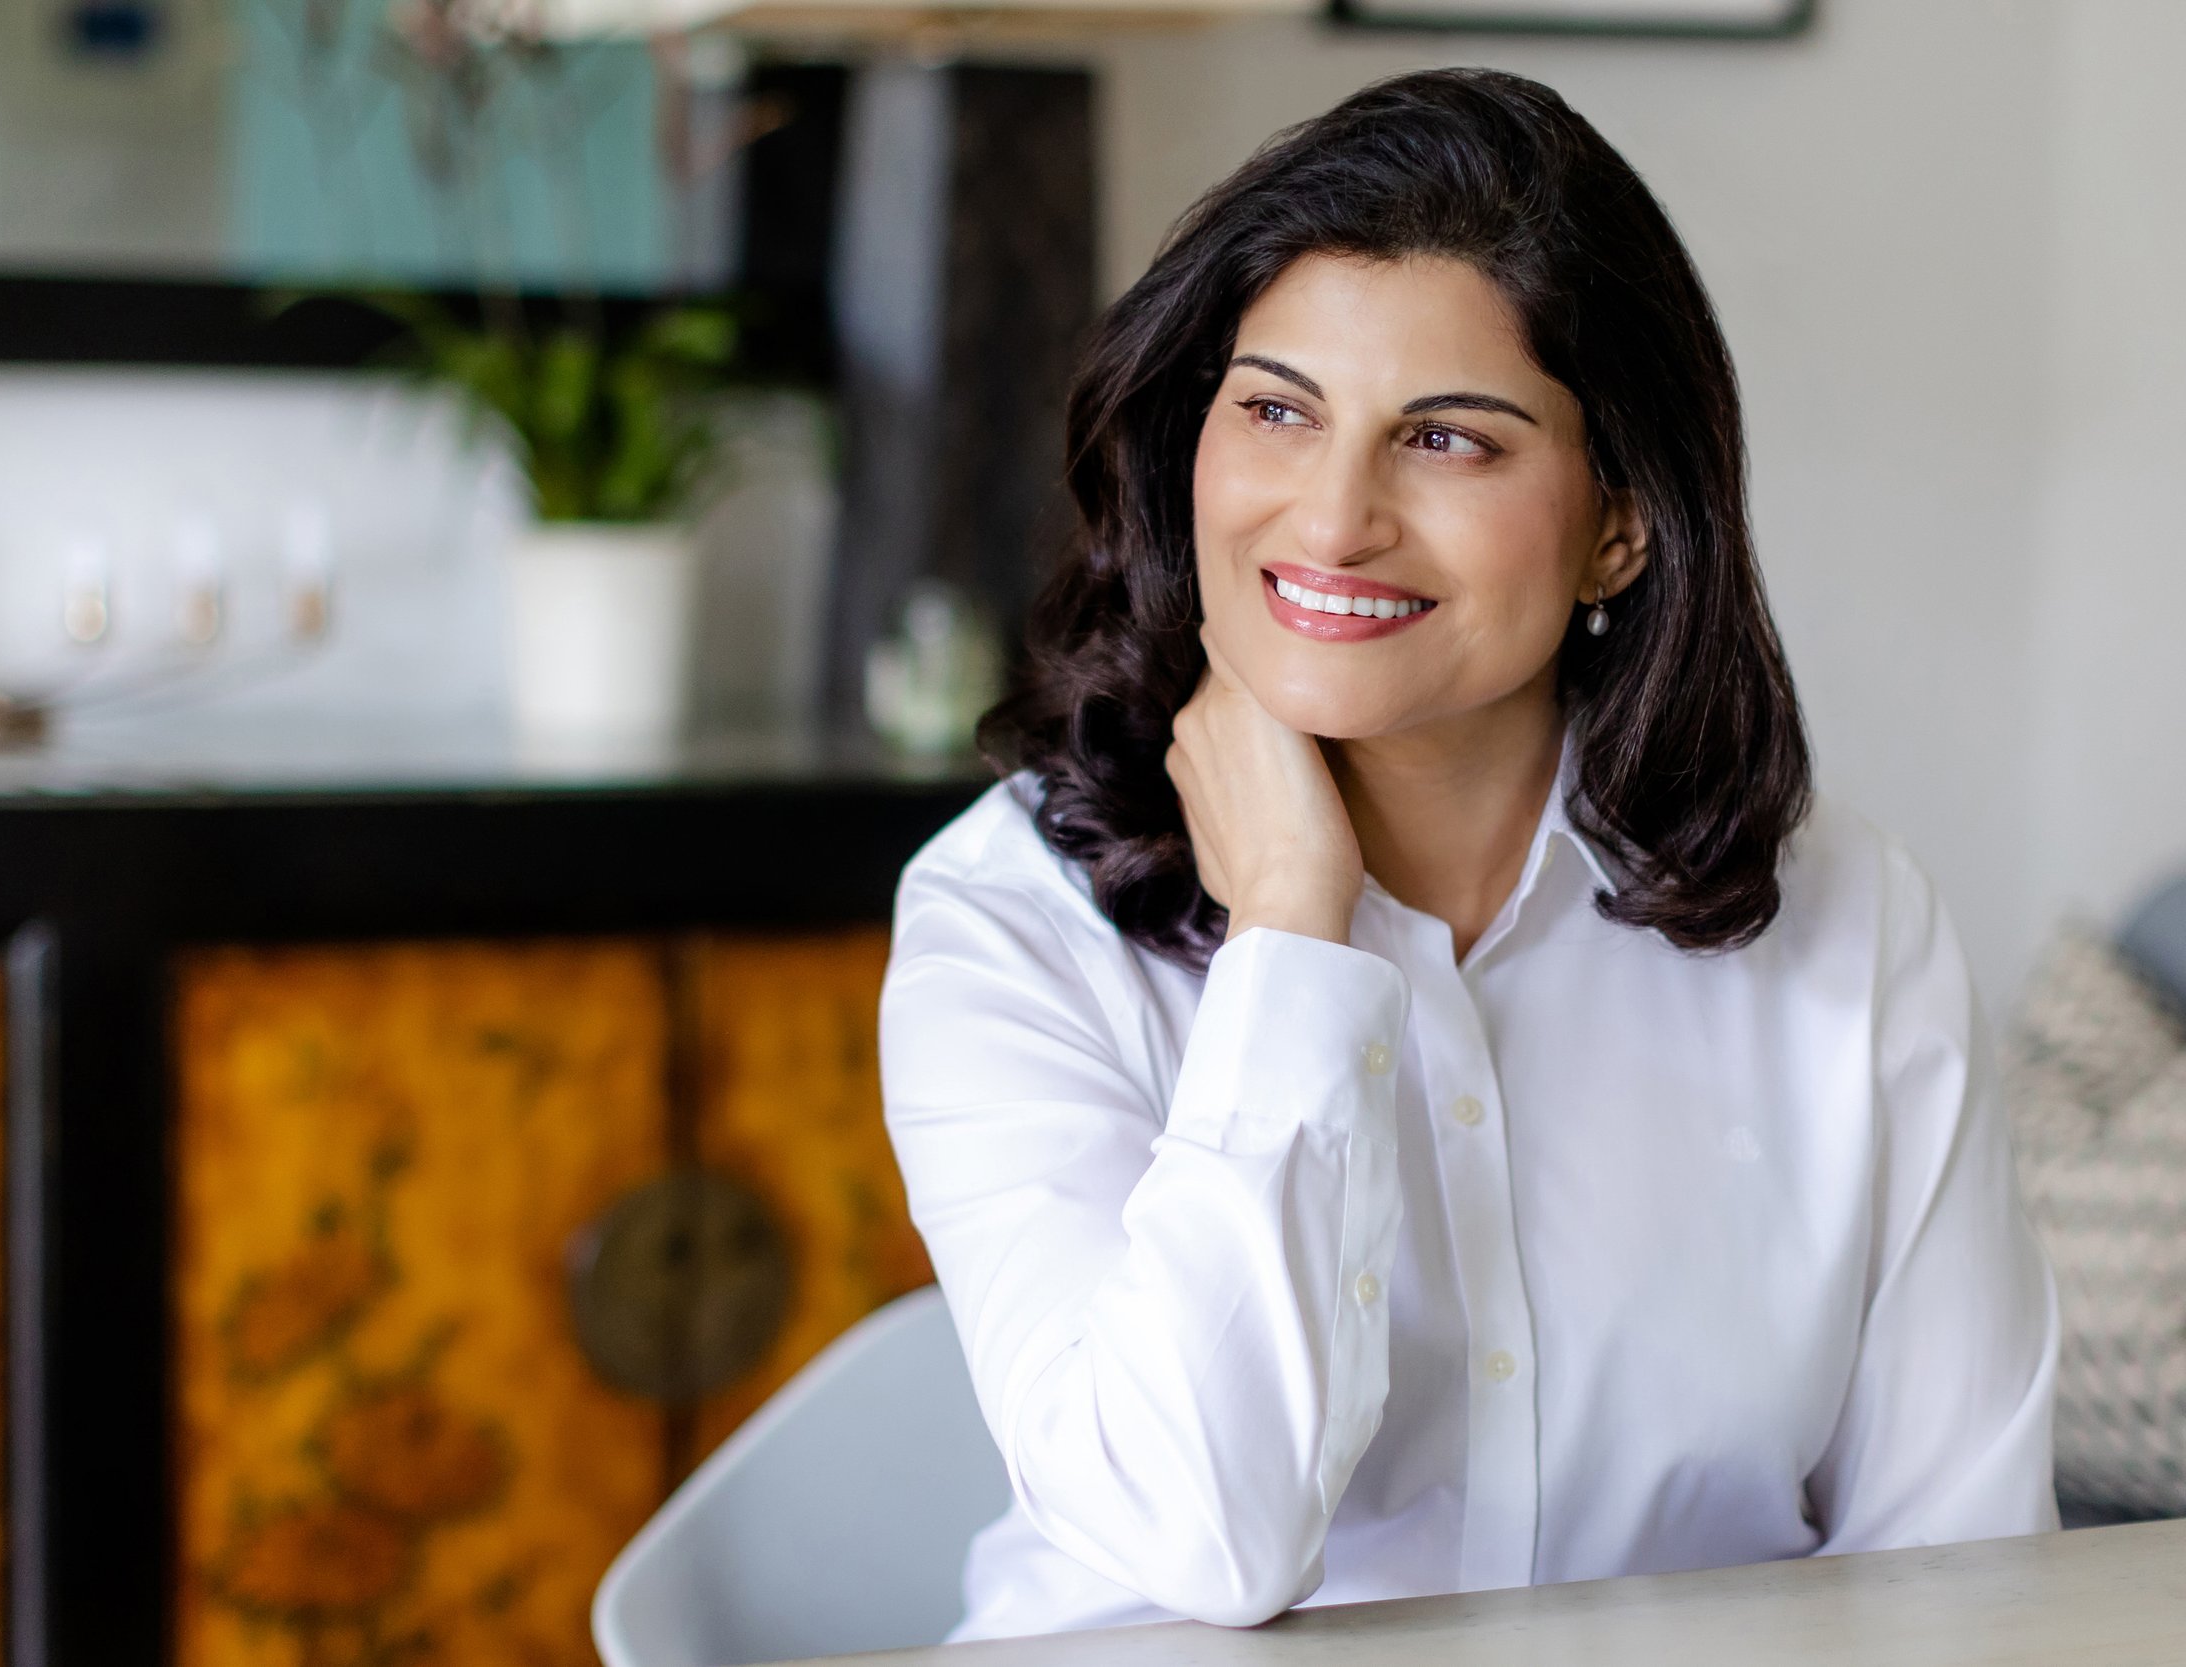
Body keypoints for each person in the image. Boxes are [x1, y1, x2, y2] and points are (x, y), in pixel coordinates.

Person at [878, 66, 2058, 1642]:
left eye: (1448, 440)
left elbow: (1960, 1568)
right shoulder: (1009, 920)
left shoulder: (1849, 925)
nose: (1335, 515)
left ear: (1620, 526)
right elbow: (1198, 1548)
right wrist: (1293, 949)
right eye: (1278, 410)